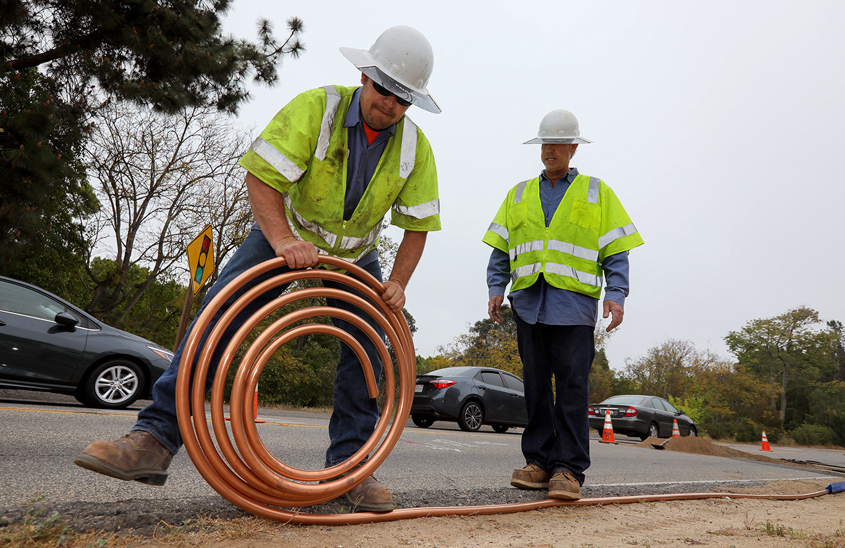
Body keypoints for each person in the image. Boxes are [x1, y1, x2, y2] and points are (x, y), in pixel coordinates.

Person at [74, 25, 442, 514]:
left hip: (355, 254)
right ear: (365, 75)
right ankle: (154, 440)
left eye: (403, 98)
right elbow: (262, 177)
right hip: (285, 231)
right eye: (384, 89)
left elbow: (418, 225)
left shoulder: (415, 148)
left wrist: (396, 282)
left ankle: (352, 470)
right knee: (220, 314)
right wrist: (286, 241)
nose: (390, 104)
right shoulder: (318, 108)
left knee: (370, 349)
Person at [482, 109, 643, 500]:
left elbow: (616, 252)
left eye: (557, 144)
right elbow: (501, 249)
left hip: (574, 307)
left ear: (573, 148)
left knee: (572, 388)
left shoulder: (596, 192)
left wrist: (616, 295)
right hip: (529, 304)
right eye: (544, 144)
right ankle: (537, 463)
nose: (549, 150)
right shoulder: (518, 194)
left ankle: (568, 470)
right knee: (536, 387)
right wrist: (495, 287)